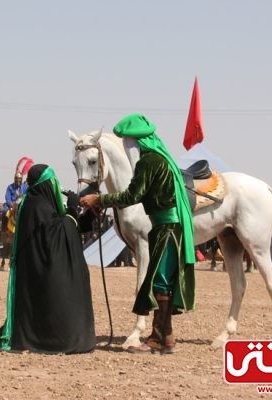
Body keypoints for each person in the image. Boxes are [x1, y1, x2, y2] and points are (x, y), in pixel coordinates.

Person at [80, 114, 195, 354]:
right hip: (167, 226)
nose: (128, 147)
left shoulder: (148, 162)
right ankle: (166, 337)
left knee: (160, 283)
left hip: (165, 228)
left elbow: (131, 196)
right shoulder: (161, 159)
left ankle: (157, 338)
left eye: (129, 143)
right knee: (162, 282)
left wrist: (99, 199)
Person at [0, 164, 95, 354]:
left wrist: (89, 213)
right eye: (53, 181)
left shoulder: (40, 203)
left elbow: (67, 228)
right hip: (41, 274)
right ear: (45, 184)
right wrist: (72, 209)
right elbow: (58, 233)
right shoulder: (35, 205)